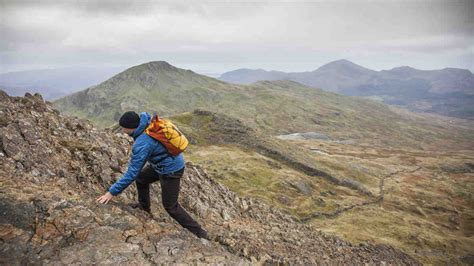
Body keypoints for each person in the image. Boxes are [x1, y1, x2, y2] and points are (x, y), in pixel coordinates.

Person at [97, 111, 210, 240]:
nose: (122, 131)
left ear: (131, 127)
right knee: (141, 179)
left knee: (171, 207)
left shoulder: (143, 143)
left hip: (171, 170)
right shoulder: (147, 122)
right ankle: (144, 208)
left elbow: (132, 172)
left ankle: (200, 233)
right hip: (163, 164)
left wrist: (111, 192)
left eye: (124, 128)